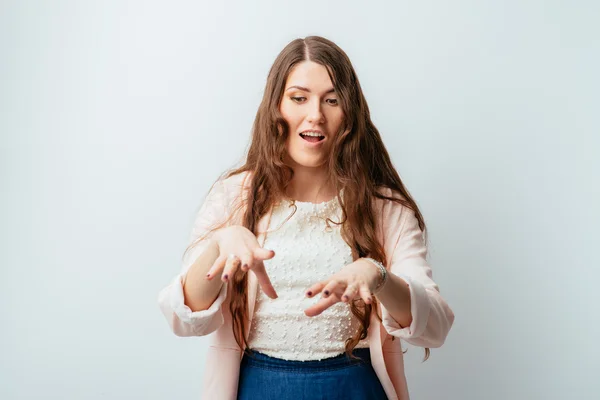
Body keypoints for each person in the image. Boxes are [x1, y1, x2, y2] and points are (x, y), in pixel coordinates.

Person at [158, 35, 455, 400]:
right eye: (299, 98)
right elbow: (183, 318)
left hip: (354, 388)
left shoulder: (384, 206)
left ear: (350, 113)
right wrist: (221, 243)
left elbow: (436, 327)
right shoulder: (233, 196)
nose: (315, 114)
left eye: (332, 100)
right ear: (276, 107)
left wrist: (377, 275)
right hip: (259, 388)